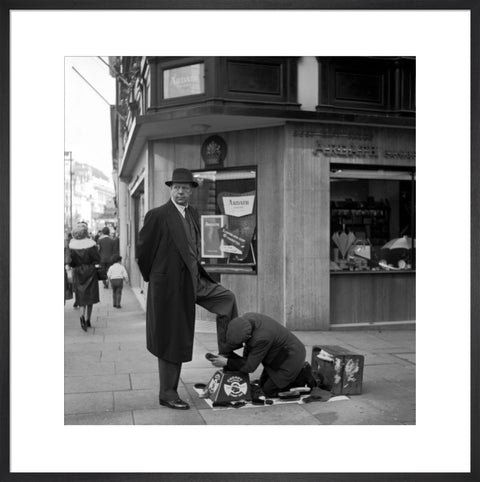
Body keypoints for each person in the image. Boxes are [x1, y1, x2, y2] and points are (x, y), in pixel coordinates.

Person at [137, 168, 238, 410]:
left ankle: (226, 358)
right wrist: (159, 280)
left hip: (195, 280)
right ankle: (167, 393)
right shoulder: (158, 215)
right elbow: (143, 252)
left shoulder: (193, 213)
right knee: (172, 337)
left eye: (185, 187)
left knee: (227, 299)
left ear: (191, 190)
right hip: (170, 287)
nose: (180, 191)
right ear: (171, 189)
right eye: (176, 187)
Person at [209, 312, 316, 397]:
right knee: (261, 386)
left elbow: (250, 367)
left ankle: (301, 375)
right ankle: (293, 375)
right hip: (277, 357)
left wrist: (227, 362)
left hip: (291, 357)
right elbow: (247, 353)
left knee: (267, 392)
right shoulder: (247, 320)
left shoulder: (261, 338)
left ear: (248, 336)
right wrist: (226, 355)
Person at [69, 223, 101, 331]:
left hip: (78, 272)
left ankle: (81, 316)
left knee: (81, 296)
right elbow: (97, 259)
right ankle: (88, 319)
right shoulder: (91, 245)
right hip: (90, 271)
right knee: (90, 296)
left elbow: (71, 262)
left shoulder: (72, 246)